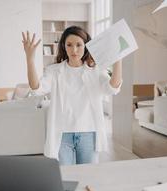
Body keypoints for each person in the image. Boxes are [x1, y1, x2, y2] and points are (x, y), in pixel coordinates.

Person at [22, 26, 122, 165]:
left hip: (89, 133)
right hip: (62, 135)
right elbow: (36, 88)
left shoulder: (95, 71)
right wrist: (30, 59)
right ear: (64, 46)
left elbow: (112, 88)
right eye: (69, 45)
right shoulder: (54, 71)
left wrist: (118, 59)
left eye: (79, 45)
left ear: (86, 46)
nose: (74, 50)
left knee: (88, 177)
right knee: (65, 177)